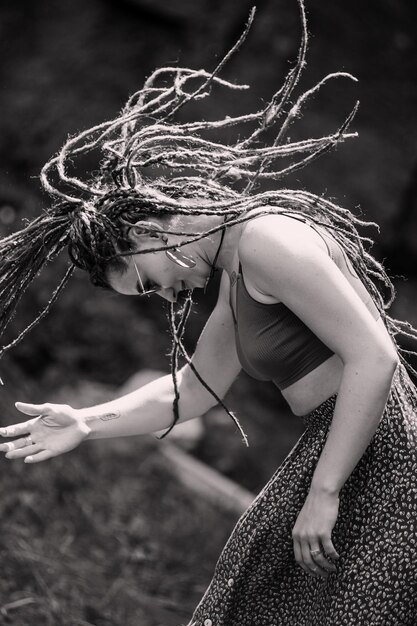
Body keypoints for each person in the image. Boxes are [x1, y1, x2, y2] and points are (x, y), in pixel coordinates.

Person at [0, 2, 416, 624]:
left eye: (146, 283)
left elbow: (375, 358)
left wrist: (326, 490)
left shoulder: (267, 242)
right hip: (338, 451)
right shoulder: (236, 268)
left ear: (147, 233)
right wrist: (87, 421)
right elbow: (194, 390)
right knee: (243, 598)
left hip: (385, 457)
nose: (167, 297)